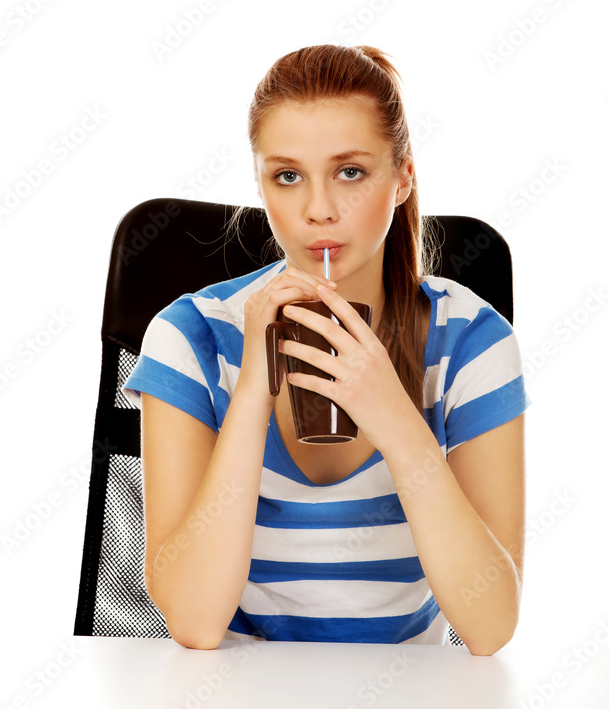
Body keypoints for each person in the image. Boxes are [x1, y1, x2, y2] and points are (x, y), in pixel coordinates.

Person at [121, 43, 530, 654]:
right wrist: (253, 389)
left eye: (350, 172)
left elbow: (490, 627)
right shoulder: (192, 336)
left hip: (407, 690)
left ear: (403, 178)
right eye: (288, 176)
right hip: (237, 689)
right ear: (260, 183)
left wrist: (398, 421)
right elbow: (195, 623)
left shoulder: (471, 340)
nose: (318, 210)